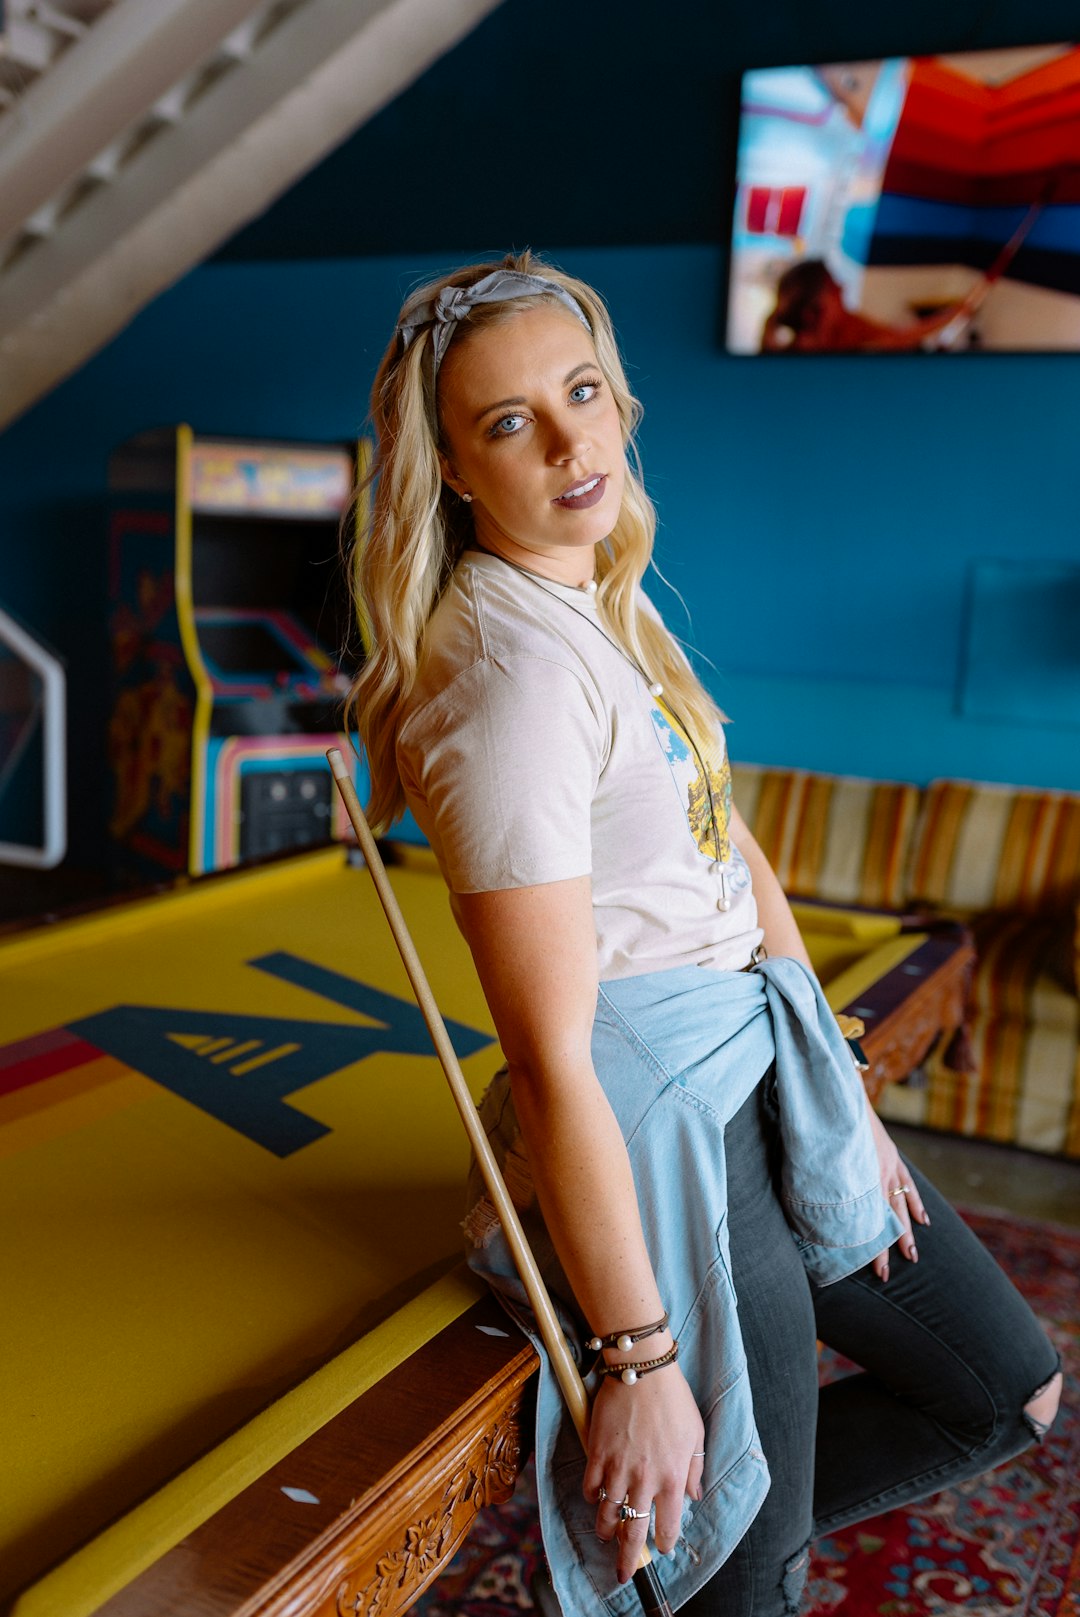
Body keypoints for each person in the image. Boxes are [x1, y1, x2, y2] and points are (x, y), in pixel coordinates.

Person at [347, 252, 1060, 1617]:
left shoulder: (602, 593)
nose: (568, 441)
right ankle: (730, 1569)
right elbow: (558, 1061)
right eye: (509, 422)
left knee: (1003, 1391)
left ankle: (719, 1563)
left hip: (758, 1065)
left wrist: (834, 1082)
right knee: (744, 1555)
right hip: (664, 1124)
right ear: (448, 467)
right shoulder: (507, 684)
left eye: (584, 391)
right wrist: (635, 1356)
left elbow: (724, 833)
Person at [760, 259, 969, 353]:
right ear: (810, 315)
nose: (842, 288)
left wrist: (953, 315)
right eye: (833, 287)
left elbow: (901, 337)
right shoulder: (788, 372)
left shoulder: (851, 326)